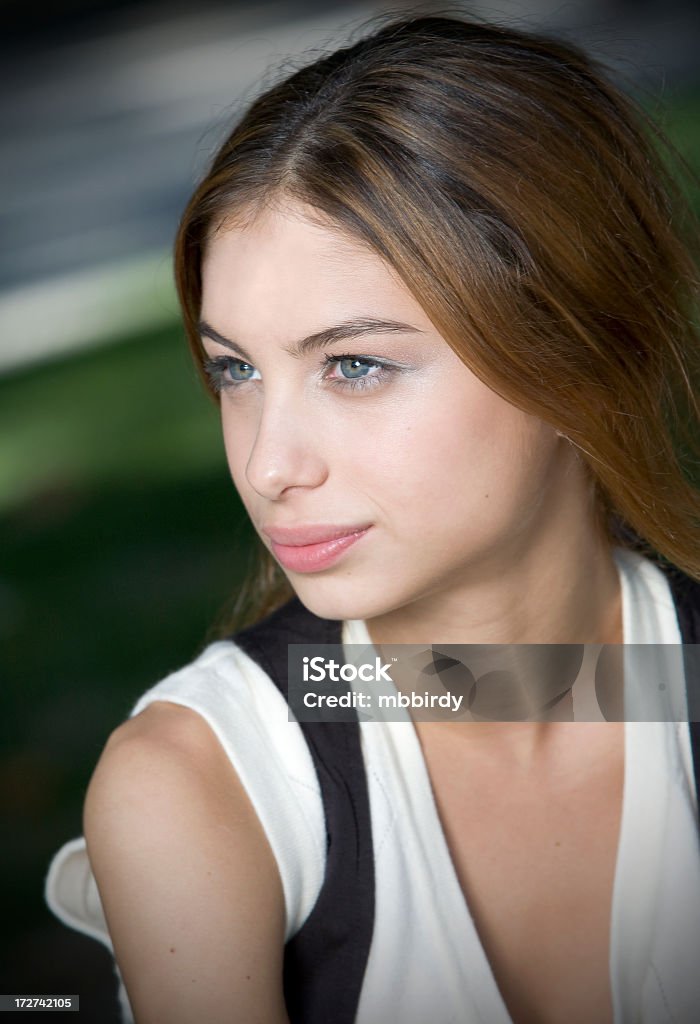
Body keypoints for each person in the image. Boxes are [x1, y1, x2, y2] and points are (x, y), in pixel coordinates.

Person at [45, 10, 700, 1024]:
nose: (268, 464)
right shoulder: (205, 788)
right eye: (235, 370)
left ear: (574, 359)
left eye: (354, 365)